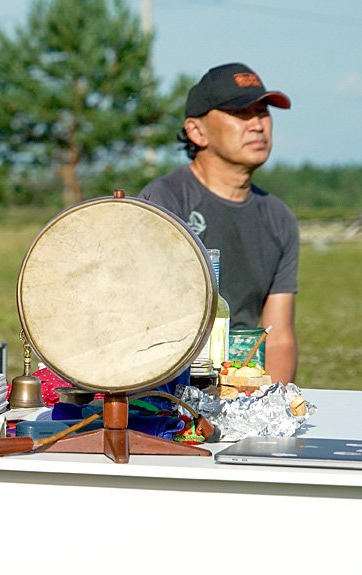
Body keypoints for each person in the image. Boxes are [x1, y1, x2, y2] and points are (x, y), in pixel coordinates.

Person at [140, 62, 299, 383]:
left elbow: (278, 335)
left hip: (244, 384)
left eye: (263, 112)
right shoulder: (164, 202)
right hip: (171, 390)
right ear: (196, 131)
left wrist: (271, 408)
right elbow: (144, 326)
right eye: (241, 113)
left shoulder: (279, 218)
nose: (257, 125)